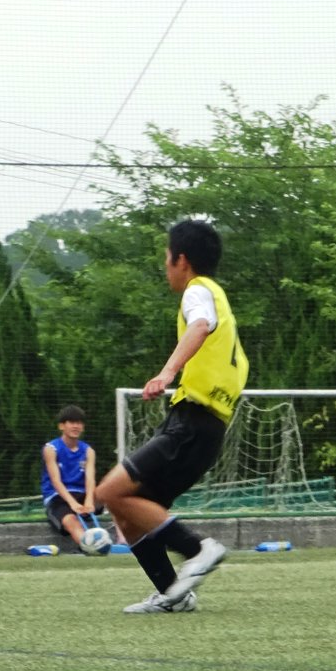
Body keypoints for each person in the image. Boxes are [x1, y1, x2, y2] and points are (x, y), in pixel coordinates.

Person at [96, 220, 248, 613]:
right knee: (127, 510)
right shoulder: (217, 296)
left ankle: (198, 550)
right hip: (204, 427)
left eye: (167, 258)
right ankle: (173, 595)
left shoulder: (198, 291)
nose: (165, 266)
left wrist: (166, 373)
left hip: (193, 423)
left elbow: (199, 326)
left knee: (109, 492)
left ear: (182, 260)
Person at [41, 404, 100, 552]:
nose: (76, 426)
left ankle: (123, 541)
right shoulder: (51, 449)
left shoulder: (88, 451)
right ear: (61, 426)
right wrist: (73, 504)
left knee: (113, 495)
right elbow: (56, 481)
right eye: (72, 422)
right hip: (58, 497)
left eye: (79, 423)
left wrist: (89, 501)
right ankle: (89, 546)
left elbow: (90, 479)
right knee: (69, 519)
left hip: (81, 495)